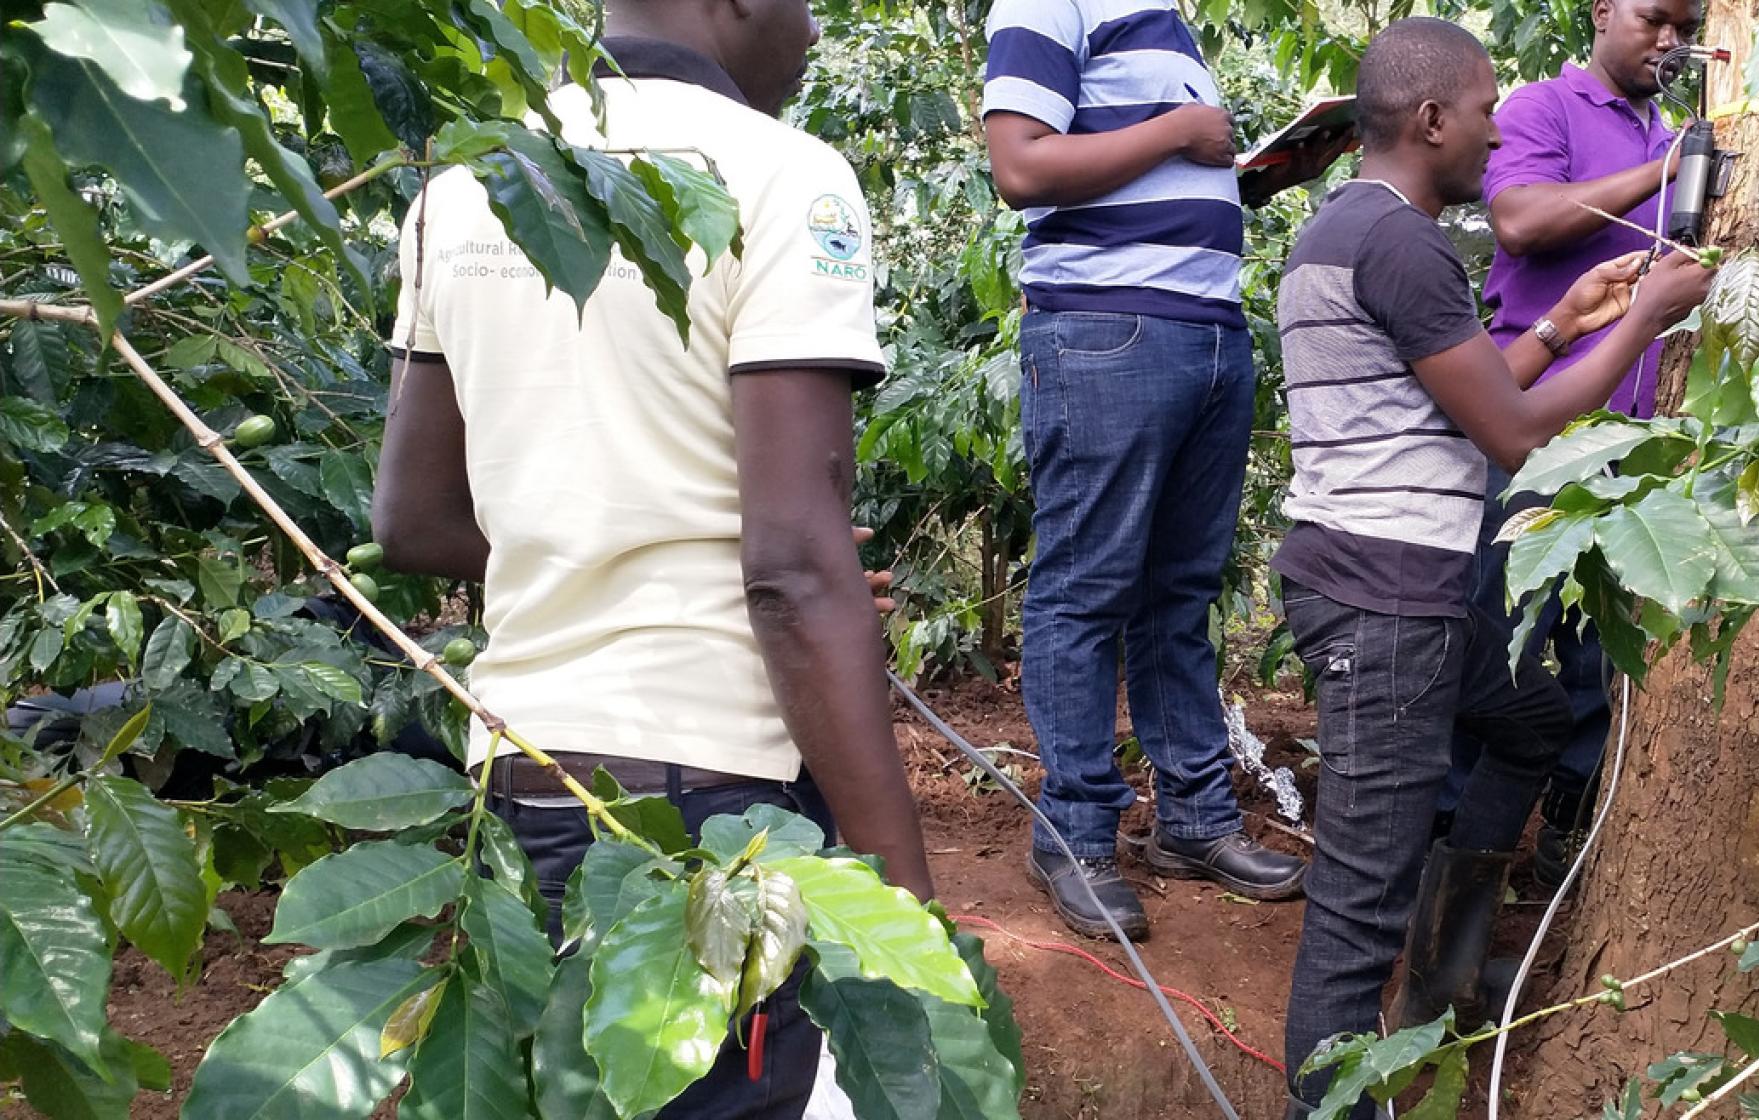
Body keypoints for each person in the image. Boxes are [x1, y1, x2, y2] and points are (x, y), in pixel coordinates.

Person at [371, 1, 928, 1114]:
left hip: (517, 795)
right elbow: (793, 568)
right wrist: (904, 902)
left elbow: (412, 520)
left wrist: (610, 543)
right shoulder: (783, 177)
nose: (813, 29)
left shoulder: (468, 186)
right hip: (708, 822)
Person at [1272, 18, 1714, 1116]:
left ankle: (1446, 971)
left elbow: (1458, 404)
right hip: (1384, 605)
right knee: (1354, 905)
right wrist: (1645, 317)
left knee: (1524, 721)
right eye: (1481, 114)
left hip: (1392, 590)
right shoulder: (1402, 242)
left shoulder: (1358, 229)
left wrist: (1564, 320)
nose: (1492, 133)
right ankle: (1330, 1101)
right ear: (1430, 120)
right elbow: (1510, 434)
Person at [980, 0, 1320, 941]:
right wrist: (1179, 130)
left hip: (1203, 332)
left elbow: (1144, 176)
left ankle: (1195, 823)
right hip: (1106, 329)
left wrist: (1253, 173)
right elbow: (1023, 167)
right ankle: (1074, 835)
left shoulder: (1167, 22)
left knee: (1178, 596)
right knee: (1084, 592)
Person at [1440, 0, 1705, 885]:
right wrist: (1660, 173)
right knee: (1496, 625)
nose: (1669, 40)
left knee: (1607, 654)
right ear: (1603, 12)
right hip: (1538, 432)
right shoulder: (1541, 109)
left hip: (1645, 443)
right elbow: (1522, 220)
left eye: (1685, 26)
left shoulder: (1677, 131)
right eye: (1653, 18)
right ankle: (1443, 841)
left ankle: (1563, 829)